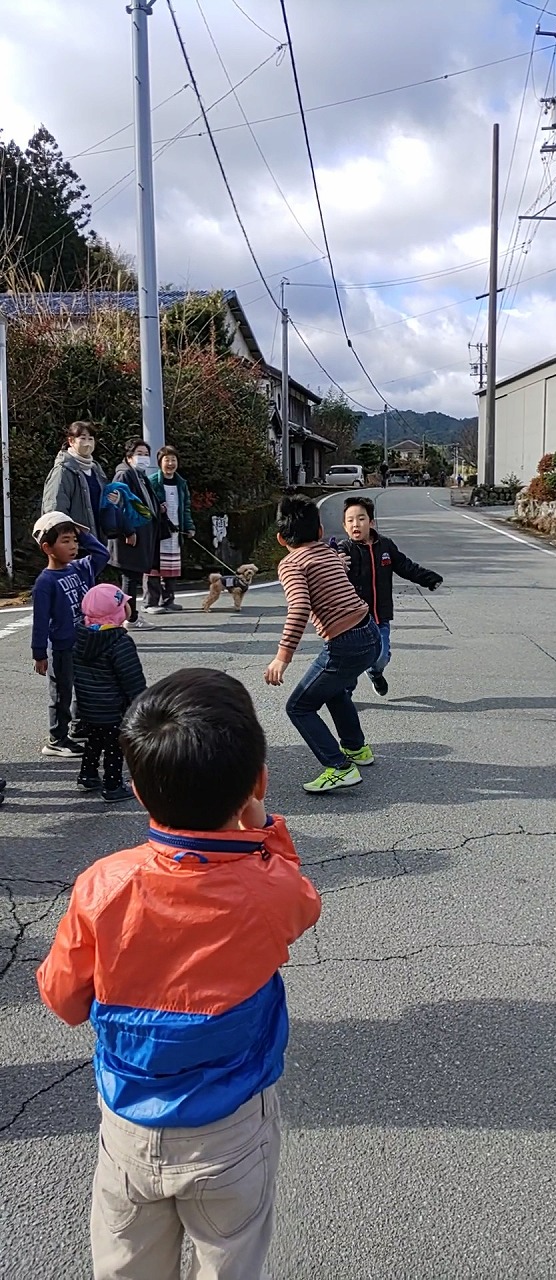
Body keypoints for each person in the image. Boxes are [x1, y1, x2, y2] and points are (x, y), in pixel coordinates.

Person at [36, 668, 321, 1280]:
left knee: (126, 1267)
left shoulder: (103, 885)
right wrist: (266, 832)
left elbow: (62, 998)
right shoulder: (272, 889)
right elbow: (302, 901)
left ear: (139, 790)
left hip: (130, 1123)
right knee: (230, 1263)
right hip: (233, 1128)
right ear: (257, 782)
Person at [264, 494, 380, 794]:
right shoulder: (329, 552)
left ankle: (339, 767)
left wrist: (282, 657)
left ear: (280, 538)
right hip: (370, 633)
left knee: (298, 706)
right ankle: (356, 748)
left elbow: (299, 608)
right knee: (334, 689)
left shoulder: (291, 564)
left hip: (346, 642)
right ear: (319, 532)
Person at [338, 496, 443, 697]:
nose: (355, 524)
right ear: (344, 526)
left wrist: (428, 579)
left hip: (379, 617)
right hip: (352, 620)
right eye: (350, 521)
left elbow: (405, 566)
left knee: (381, 657)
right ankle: (345, 698)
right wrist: (335, 561)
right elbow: (330, 570)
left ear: (371, 522)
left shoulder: (385, 546)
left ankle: (376, 673)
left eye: (360, 519)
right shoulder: (344, 550)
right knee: (350, 660)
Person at [31, 512, 110, 757]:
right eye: (66, 541)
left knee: (84, 686)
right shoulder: (45, 582)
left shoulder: (79, 569)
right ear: (47, 547)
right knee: (62, 691)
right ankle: (57, 738)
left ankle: (77, 726)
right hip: (63, 646)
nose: (74, 546)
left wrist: (85, 534)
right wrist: (39, 653)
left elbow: (102, 555)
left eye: (75, 540)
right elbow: (41, 621)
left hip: (84, 641)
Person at [73, 584, 147, 803]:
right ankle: (113, 785)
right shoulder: (119, 642)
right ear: (117, 612)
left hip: (89, 705)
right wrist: (140, 704)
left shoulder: (80, 637)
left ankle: (87, 776)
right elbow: (132, 678)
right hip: (114, 708)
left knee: (94, 740)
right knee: (115, 747)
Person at [107, 437, 161, 631]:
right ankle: (129, 618)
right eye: (139, 454)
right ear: (128, 457)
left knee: (132, 577)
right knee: (129, 578)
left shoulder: (139, 475)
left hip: (139, 535)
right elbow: (118, 506)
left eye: (146, 454)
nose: (144, 458)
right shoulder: (124, 476)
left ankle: (130, 616)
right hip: (129, 537)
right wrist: (128, 530)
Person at [146, 445, 195, 613]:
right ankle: (150, 602)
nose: (170, 463)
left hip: (175, 531)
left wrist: (189, 527)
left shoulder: (181, 483)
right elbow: (146, 505)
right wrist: (157, 509)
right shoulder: (152, 481)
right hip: (157, 532)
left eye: (173, 460)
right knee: (153, 567)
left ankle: (168, 600)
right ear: (160, 462)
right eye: (167, 460)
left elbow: (186, 507)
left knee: (172, 566)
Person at [42, 421, 108, 541]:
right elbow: (55, 508)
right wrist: (67, 537)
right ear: (71, 441)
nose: (87, 443)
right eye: (83, 438)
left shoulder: (96, 470)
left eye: (91, 439)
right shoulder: (63, 470)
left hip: (98, 540)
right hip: (75, 543)